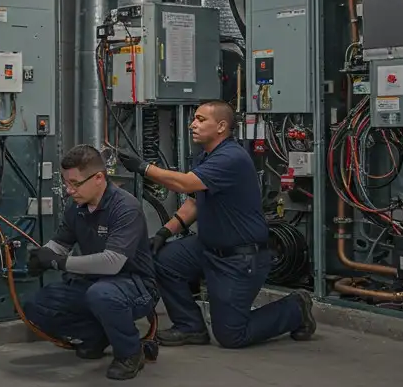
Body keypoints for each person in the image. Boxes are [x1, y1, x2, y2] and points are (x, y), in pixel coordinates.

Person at [115, 100, 317, 349]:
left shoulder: (231, 157)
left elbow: (185, 184)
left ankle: (295, 308)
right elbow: (195, 202)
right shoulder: (207, 157)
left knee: (232, 335)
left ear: (221, 126)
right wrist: (164, 232)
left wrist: (144, 167)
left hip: (239, 258)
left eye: (201, 120)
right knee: (163, 260)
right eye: (194, 119)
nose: (192, 125)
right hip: (207, 247)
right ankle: (190, 327)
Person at [22, 145, 159, 381]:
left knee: (102, 295)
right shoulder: (76, 207)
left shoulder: (125, 208)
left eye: (75, 183)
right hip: (94, 284)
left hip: (134, 285)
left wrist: (58, 262)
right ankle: (99, 335)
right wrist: (43, 254)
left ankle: (130, 353)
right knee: (36, 305)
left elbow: (112, 263)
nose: (69, 190)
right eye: (66, 183)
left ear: (98, 178)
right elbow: (60, 243)